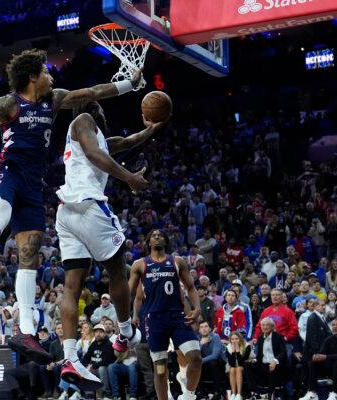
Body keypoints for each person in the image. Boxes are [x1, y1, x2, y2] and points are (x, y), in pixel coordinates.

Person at [0, 48, 144, 362]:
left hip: (33, 184)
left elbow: (93, 92)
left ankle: (25, 330)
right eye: (47, 72)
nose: (52, 76)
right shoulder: (9, 103)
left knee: (30, 255)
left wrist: (129, 85)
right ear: (32, 77)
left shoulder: (54, 100)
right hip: (9, 171)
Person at [54, 100, 163, 389]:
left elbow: (126, 142)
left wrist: (152, 128)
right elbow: (94, 153)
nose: (102, 111)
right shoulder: (84, 121)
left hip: (65, 211)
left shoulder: (92, 137)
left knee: (72, 284)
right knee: (118, 268)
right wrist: (129, 178)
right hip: (88, 205)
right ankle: (126, 332)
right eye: (98, 107)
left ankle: (69, 358)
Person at [129, 229, 202, 400]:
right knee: (160, 368)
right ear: (148, 242)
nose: (157, 237)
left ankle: (189, 396)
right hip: (154, 320)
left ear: (166, 241)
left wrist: (197, 308)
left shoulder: (177, 261)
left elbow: (191, 288)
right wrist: (131, 316)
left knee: (196, 358)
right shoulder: (140, 264)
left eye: (160, 235)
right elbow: (131, 294)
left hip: (177, 317)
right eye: (153, 235)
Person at [246, 318, 288, 398]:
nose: (265, 327)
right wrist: (254, 360)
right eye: (263, 325)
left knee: (272, 366)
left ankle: (269, 394)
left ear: (272, 327)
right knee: (247, 364)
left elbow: (283, 352)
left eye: (267, 325)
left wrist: (275, 361)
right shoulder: (260, 338)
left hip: (276, 364)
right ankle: (255, 392)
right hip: (263, 364)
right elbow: (260, 355)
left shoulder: (279, 337)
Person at [301, 318, 337, 400]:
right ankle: (312, 392)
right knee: (312, 362)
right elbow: (321, 353)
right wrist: (316, 356)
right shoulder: (329, 339)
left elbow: (325, 356)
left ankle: (335, 393)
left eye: (336, 325)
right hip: (330, 367)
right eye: (333, 325)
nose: (334, 327)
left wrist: (326, 357)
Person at [198, 320, 225, 399]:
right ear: (199, 330)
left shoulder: (215, 337)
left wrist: (200, 361)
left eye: (206, 326)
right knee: (195, 365)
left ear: (210, 329)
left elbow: (215, 355)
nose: (204, 329)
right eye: (201, 327)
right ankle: (201, 391)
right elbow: (195, 355)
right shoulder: (197, 338)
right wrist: (200, 344)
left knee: (213, 362)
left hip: (218, 364)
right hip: (204, 364)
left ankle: (217, 392)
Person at [226, 331, 251, 400]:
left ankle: (239, 394)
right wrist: (233, 351)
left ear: (240, 339)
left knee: (238, 368)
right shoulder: (228, 347)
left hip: (245, 366)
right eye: (232, 339)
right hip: (233, 366)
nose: (234, 341)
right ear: (230, 340)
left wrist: (237, 350)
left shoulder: (247, 346)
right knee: (232, 369)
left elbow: (241, 363)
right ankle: (233, 393)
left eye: (236, 339)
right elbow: (232, 364)